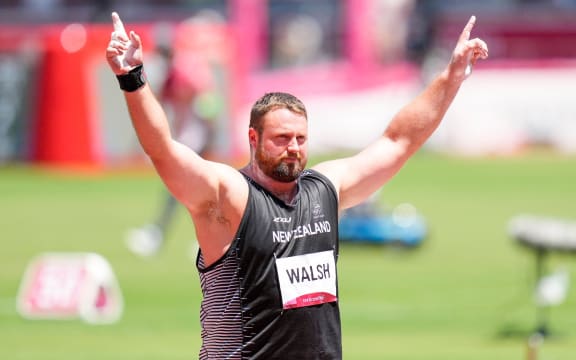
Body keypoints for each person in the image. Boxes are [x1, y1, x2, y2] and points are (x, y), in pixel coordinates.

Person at [106, 11, 487, 359]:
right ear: (253, 139)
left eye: (301, 139)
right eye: (281, 138)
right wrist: (132, 77)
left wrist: (450, 79)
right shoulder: (230, 195)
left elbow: (398, 140)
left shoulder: (324, 191)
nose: (293, 149)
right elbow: (163, 150)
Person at [125, 35, 219, 258]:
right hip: (187, 140)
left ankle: (159, 235)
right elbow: (157, 105)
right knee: (190, 191)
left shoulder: (185, 73)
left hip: (194, 140)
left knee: (184, 190)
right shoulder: (171, 75)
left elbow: (207, 102)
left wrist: (209, 135)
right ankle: (208, 238)